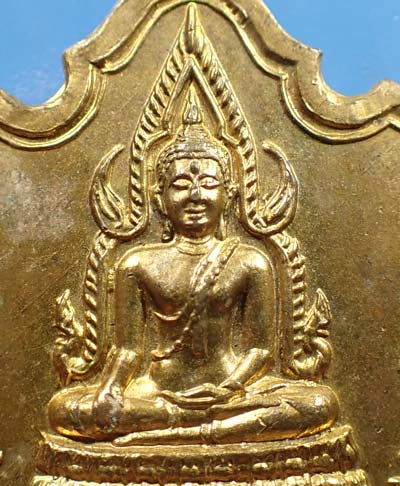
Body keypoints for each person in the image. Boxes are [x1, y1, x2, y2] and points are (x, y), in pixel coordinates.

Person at [48, 95, 338, 444]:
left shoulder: (250, 261)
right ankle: (196, 423)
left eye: (210, 184)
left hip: (232, 392)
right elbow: (127, 350)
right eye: (181, 185)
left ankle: (195, 429)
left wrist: (229, 389)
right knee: (64, 409)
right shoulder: (137, 263)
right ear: (159, 198)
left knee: (320, 403)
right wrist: (109, 390)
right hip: (156, 392)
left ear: (230, 195)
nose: (196, 195)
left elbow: (261, 351)